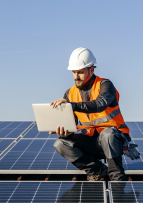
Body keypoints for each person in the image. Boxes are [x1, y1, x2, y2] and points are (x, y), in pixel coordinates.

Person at [50, 47, 138, 181]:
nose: (76, 77)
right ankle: (98, 171)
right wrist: (65, 132)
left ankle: (117, 177)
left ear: (91, 70)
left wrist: (71, 104)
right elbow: (72, 124)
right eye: (74, 72)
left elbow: (99, 104)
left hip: (114, 139)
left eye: (80, 72)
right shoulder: (70, 93)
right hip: (92, 141)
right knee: (60, 144)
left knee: (108, 134)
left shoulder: (105, 85)